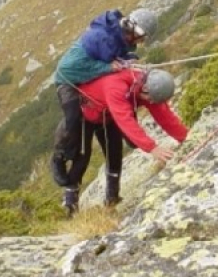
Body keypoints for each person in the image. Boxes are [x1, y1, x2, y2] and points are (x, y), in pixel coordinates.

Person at [51, 8, 158, 213]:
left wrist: (127, 63)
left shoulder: (121, 40)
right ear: (135, 29)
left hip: (96, 94)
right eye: (142, 36)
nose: (142, 41)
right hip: (69, 82)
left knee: (113, 145)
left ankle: (112, 198)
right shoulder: (100, 38)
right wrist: (108, 69)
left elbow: (117, 66)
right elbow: (69, 69)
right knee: (75, 130)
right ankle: (60, 162)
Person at [58, 67, 188, 216]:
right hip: (86, 115)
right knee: (81, 157)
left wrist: (186, 137)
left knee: (114, 153)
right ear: (145, 89)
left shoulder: (148, 89)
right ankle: (70, 205)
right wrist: (152, 148)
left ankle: (111, 201)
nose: (151, 102)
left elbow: (165, 117)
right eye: (150, 98)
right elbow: (125, 120)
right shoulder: (116, 86)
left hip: (107, 115)